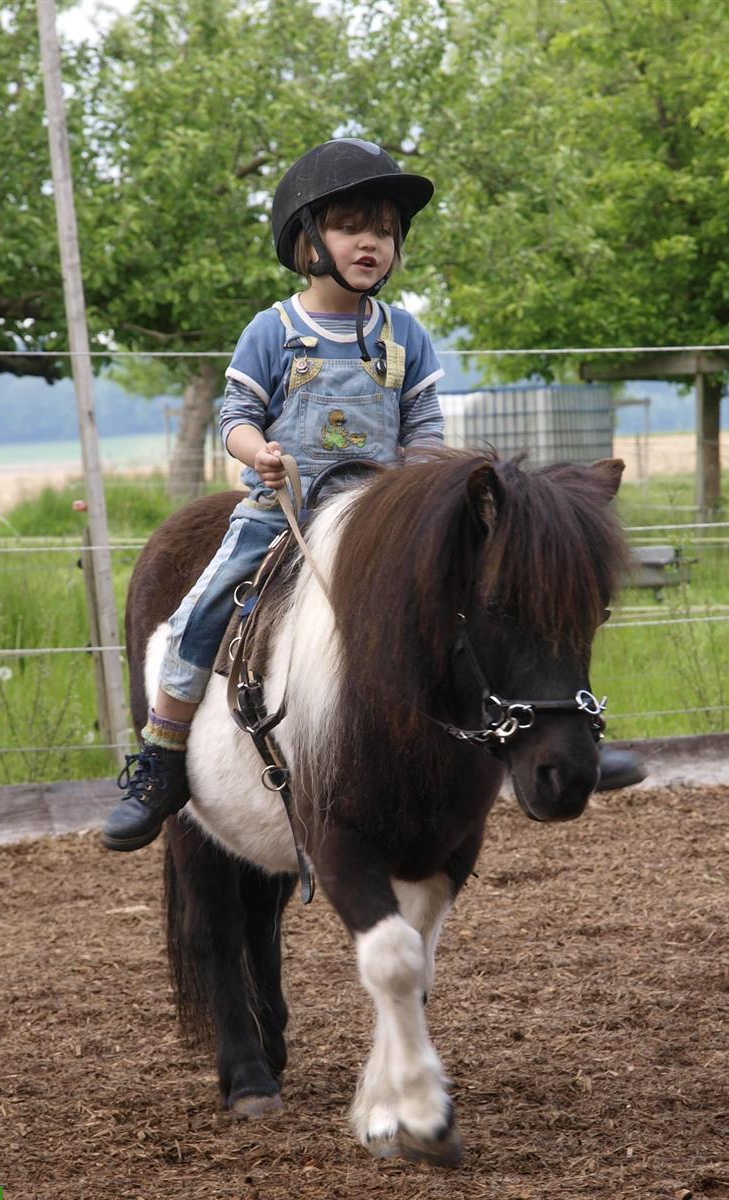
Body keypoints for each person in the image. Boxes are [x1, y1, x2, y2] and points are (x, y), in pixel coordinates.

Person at [102, 138, 644, 853]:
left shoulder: (404, 337)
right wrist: (257, 452)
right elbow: (236, 417)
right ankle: (162, 759)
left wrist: (418, 486)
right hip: (283, 514)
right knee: (199, 612)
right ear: (309, 241)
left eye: (385, 232)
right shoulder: (274, 332)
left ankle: (560, 738)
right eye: (352, 228)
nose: (372, 243)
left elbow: (421, 427)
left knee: (480, 617)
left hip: (377, 523)